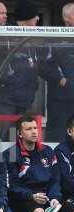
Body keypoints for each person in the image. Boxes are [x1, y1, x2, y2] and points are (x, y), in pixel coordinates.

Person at [5, 115, 74, 212]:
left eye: (35, 128)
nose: (34, 132)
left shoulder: (47, 151)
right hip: (22, 201)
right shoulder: (11, 154)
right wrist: (31, 196)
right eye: (29, 129)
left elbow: (55, 180)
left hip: (48, 200)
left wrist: (55, 198)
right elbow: (11, 186)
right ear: (20, 134)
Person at [0, 0, 41, 140]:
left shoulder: (29, 38)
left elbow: (34, 65)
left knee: (21, 142)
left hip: (25, 101)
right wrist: (10, 83)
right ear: (27, 17)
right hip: (5, 102)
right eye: (35, 15)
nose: (38, 19)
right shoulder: (5, 35)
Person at [41, 3, 74, 142]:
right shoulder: (55, 38)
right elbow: (42, 66)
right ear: (67, 19)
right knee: (59, 137)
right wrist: (61, 79)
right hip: (60, 101)